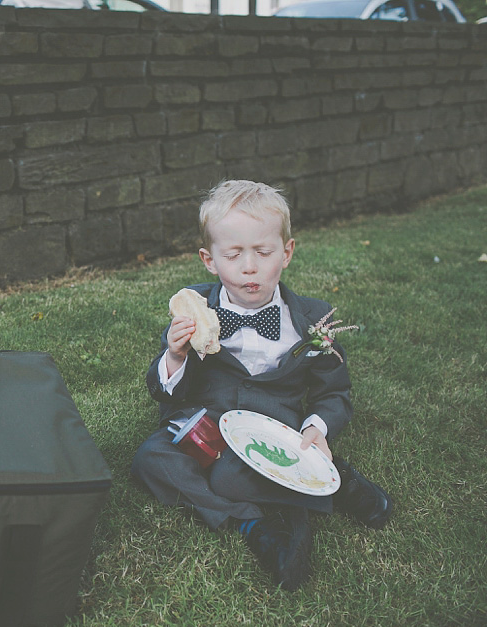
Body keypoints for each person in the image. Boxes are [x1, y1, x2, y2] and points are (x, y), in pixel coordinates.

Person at [132, 180, 392, 591]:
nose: (248, 267)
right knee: (152, 459)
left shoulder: (313, 320)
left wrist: (316, 427)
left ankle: (328, 486)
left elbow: (333, 392)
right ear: (209, 260)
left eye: (263, 252)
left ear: (286, 253)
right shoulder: (192, 309)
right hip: (208, 421)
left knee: (229, 476)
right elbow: (164, 392)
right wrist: (176, 356)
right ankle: (257, 524)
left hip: (273, 424)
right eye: (233, 255)